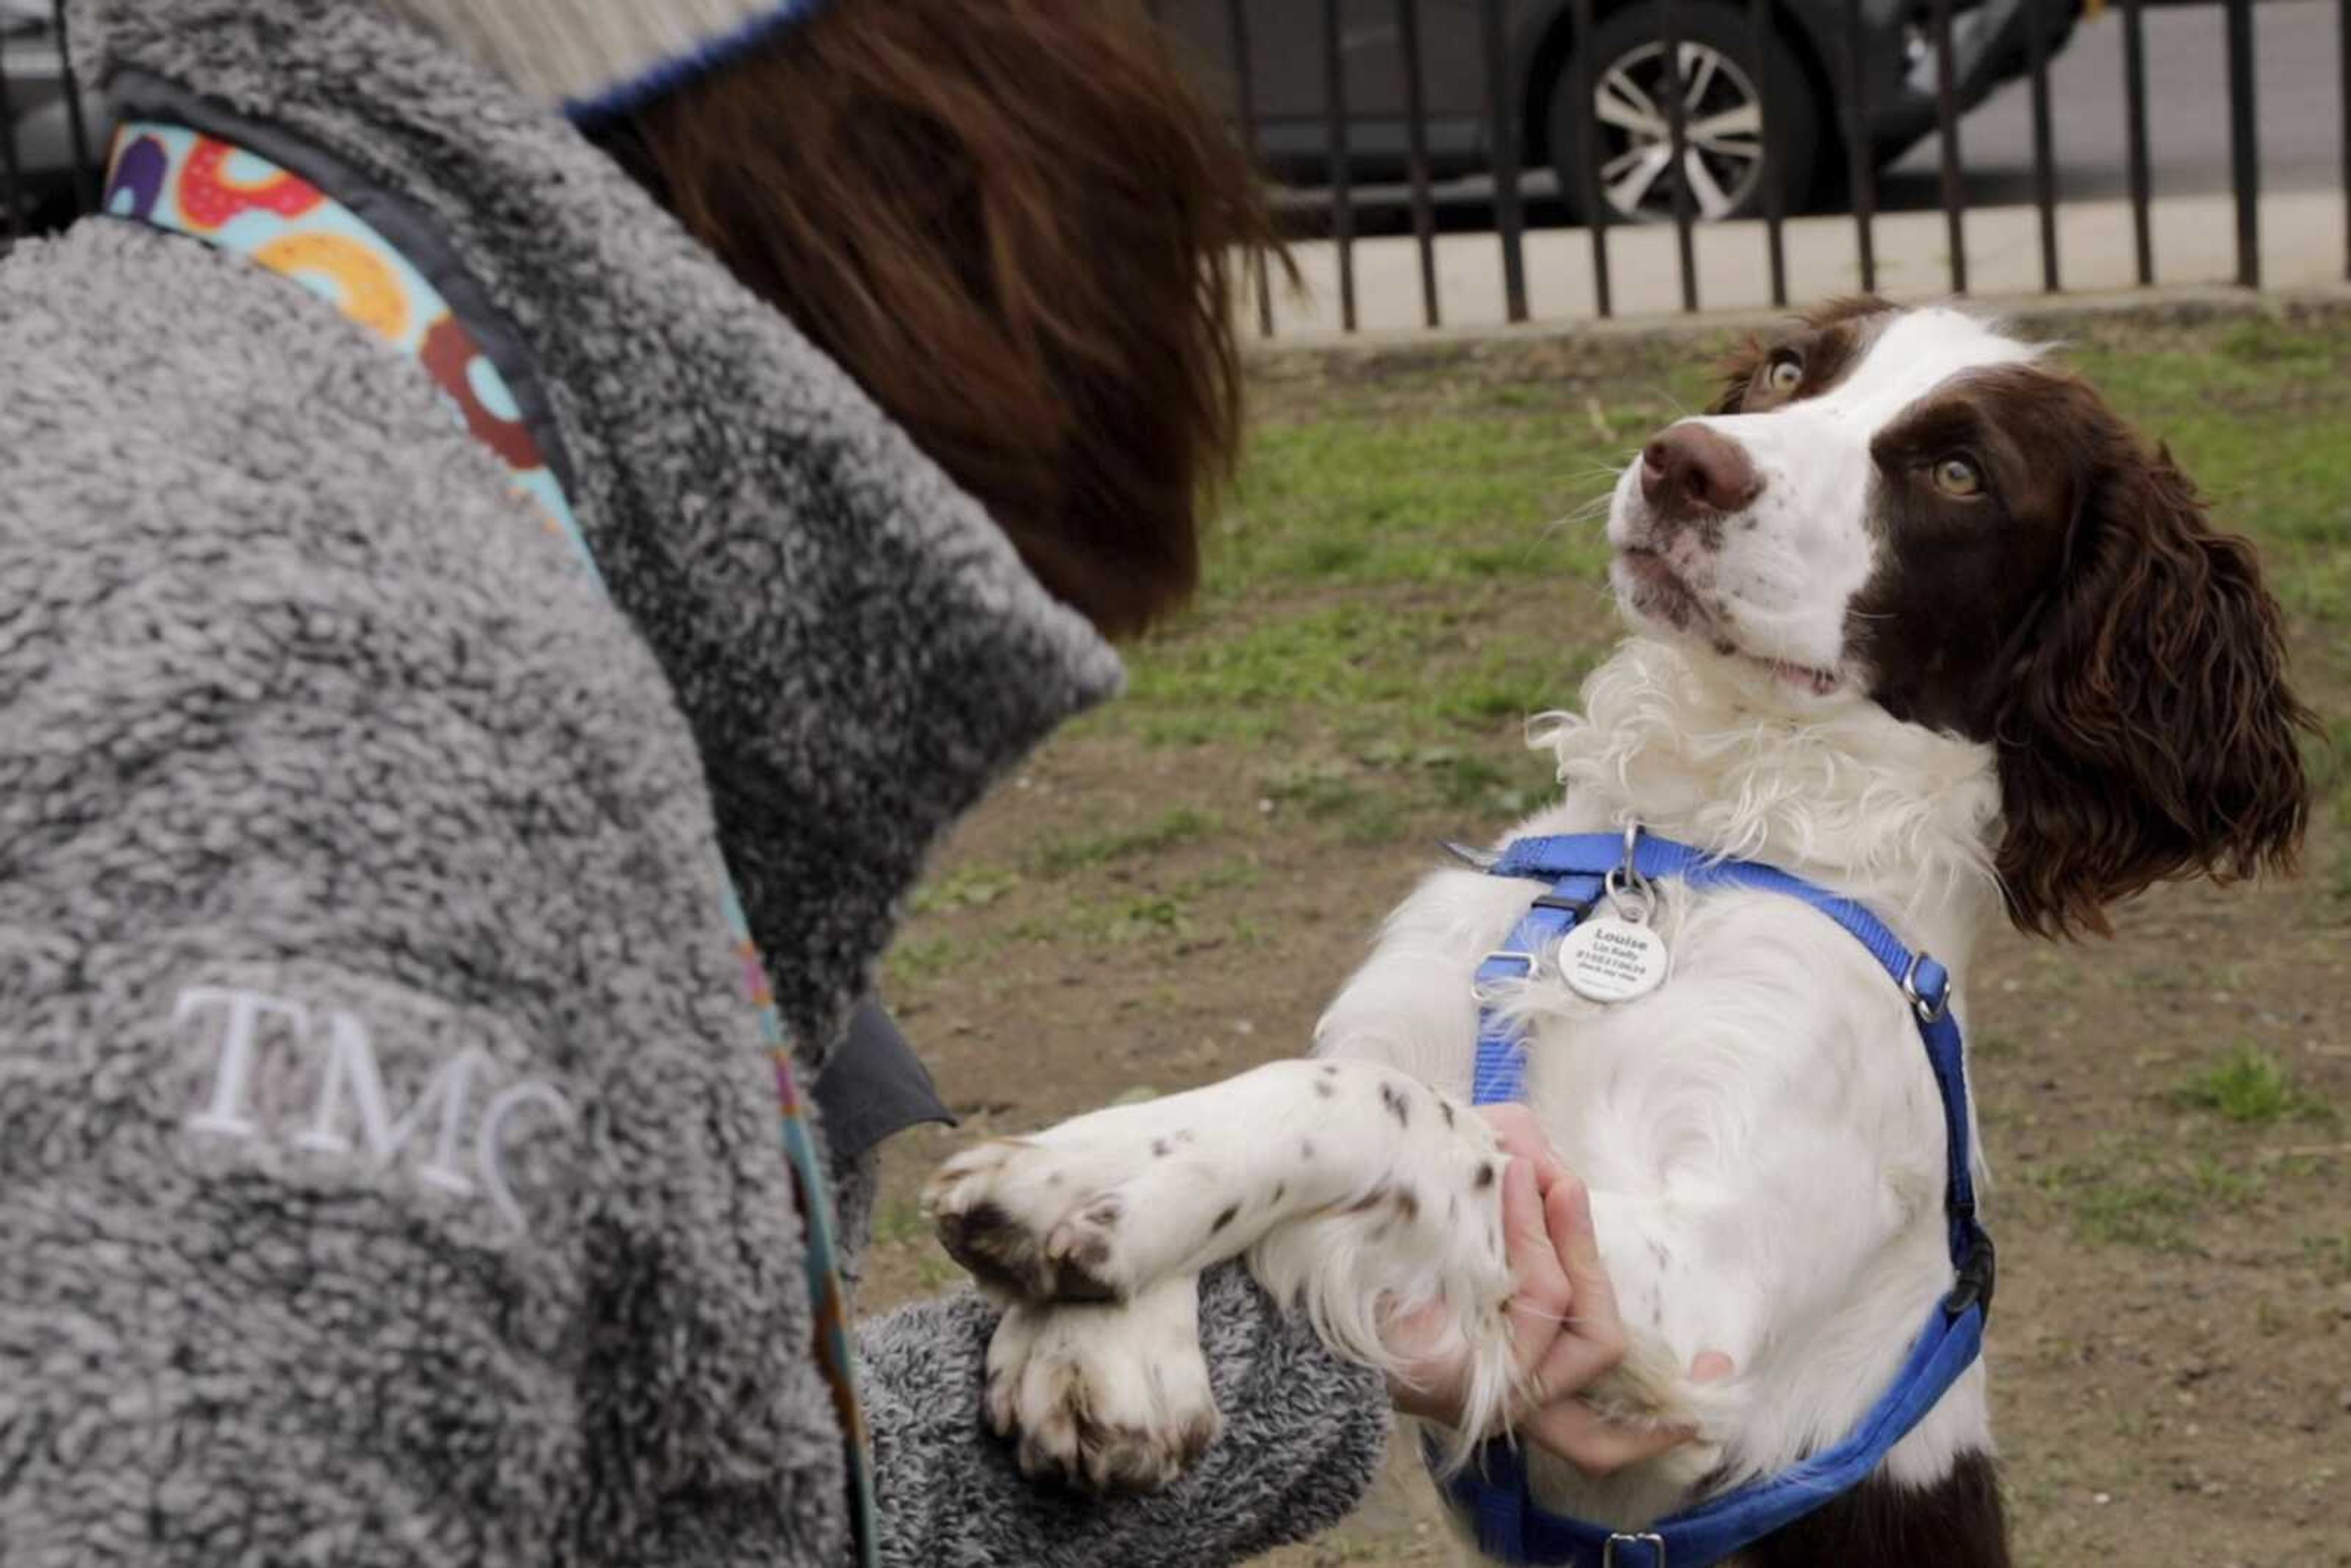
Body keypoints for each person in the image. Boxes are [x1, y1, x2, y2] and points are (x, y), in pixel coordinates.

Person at [0, 1, 1693, 1562]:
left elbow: (569, 1487)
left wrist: (1260, 1356)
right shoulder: (337, 717)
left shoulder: (225, 439)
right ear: (926, 146)